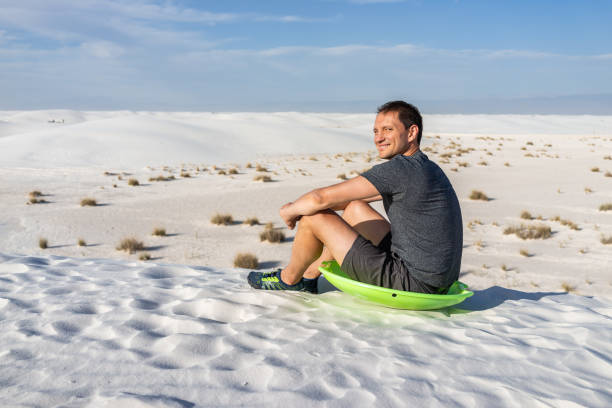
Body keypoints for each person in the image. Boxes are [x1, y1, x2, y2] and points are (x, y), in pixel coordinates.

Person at [248, 101, 463, 294]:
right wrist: (309, 206)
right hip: (436, 279)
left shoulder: (400, 170)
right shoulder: (424, 167)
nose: (379, 138)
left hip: (413, 282)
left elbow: (320, 199)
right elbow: (340, 201)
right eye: (376, 131)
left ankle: (289, 279)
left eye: (388, 130)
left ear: (411, 132)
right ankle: (310, 276)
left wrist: (291, 210)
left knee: (314, 217)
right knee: (355, 208)